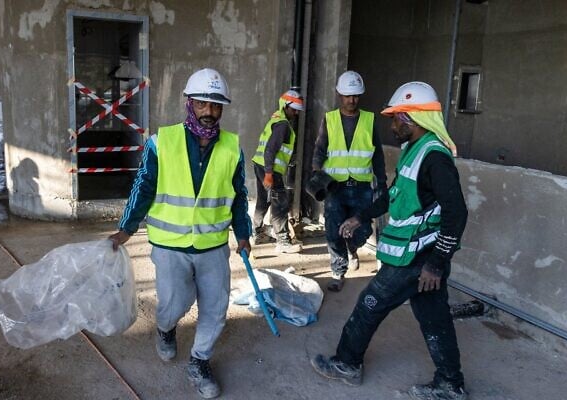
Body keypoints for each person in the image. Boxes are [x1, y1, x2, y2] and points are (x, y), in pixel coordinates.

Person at [310, 81, 468, 400]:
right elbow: (395, 196)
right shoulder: (415, 150)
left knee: (369, 304)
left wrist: (436, 264)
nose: (392, 124)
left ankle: (347, 363)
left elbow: (457, 213)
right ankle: (451, 384)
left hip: (417, 259)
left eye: (396, 117)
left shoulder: (435, 158)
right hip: (417, 257)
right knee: (435, 318)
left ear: (411, 117)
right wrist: (361, 216)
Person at [108, 68, 252, 399]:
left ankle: (199, 361)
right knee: (174, 303)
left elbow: (239, 196)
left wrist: (242, 233)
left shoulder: (232, 148)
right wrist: (126, 229)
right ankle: (165, 328)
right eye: (203, 103)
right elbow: (142, 186)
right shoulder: (162, 143)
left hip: (213, 244)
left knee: (216, 308)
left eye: (216, 106)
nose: (209, 112)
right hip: (170, 244)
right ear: (188, 102)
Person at [312, 71, 387, 292]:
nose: (351, 100)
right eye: (347, 95)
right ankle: (338, 271)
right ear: (339, 94)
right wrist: (317, 173)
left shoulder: (369, 120)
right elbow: (320, 148)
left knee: (362, 231)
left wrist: (381, 182)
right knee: (332, 229)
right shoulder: (330, 119)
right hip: (334, 187)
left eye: (355, 95)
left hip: (362, 186)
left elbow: (378, 154)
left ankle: (353, 247)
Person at [251, 89, 304, 254]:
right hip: (270, 168)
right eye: (293, 109)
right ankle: (282, 241)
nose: (295, 113)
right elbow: (270, 150)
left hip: (260, 164)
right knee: (280, 203)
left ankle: (257, 233)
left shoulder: (276, 119)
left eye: (297, 110)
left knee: (263, 200)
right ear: (285, 106)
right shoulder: (282, 125)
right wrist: (268, 174)